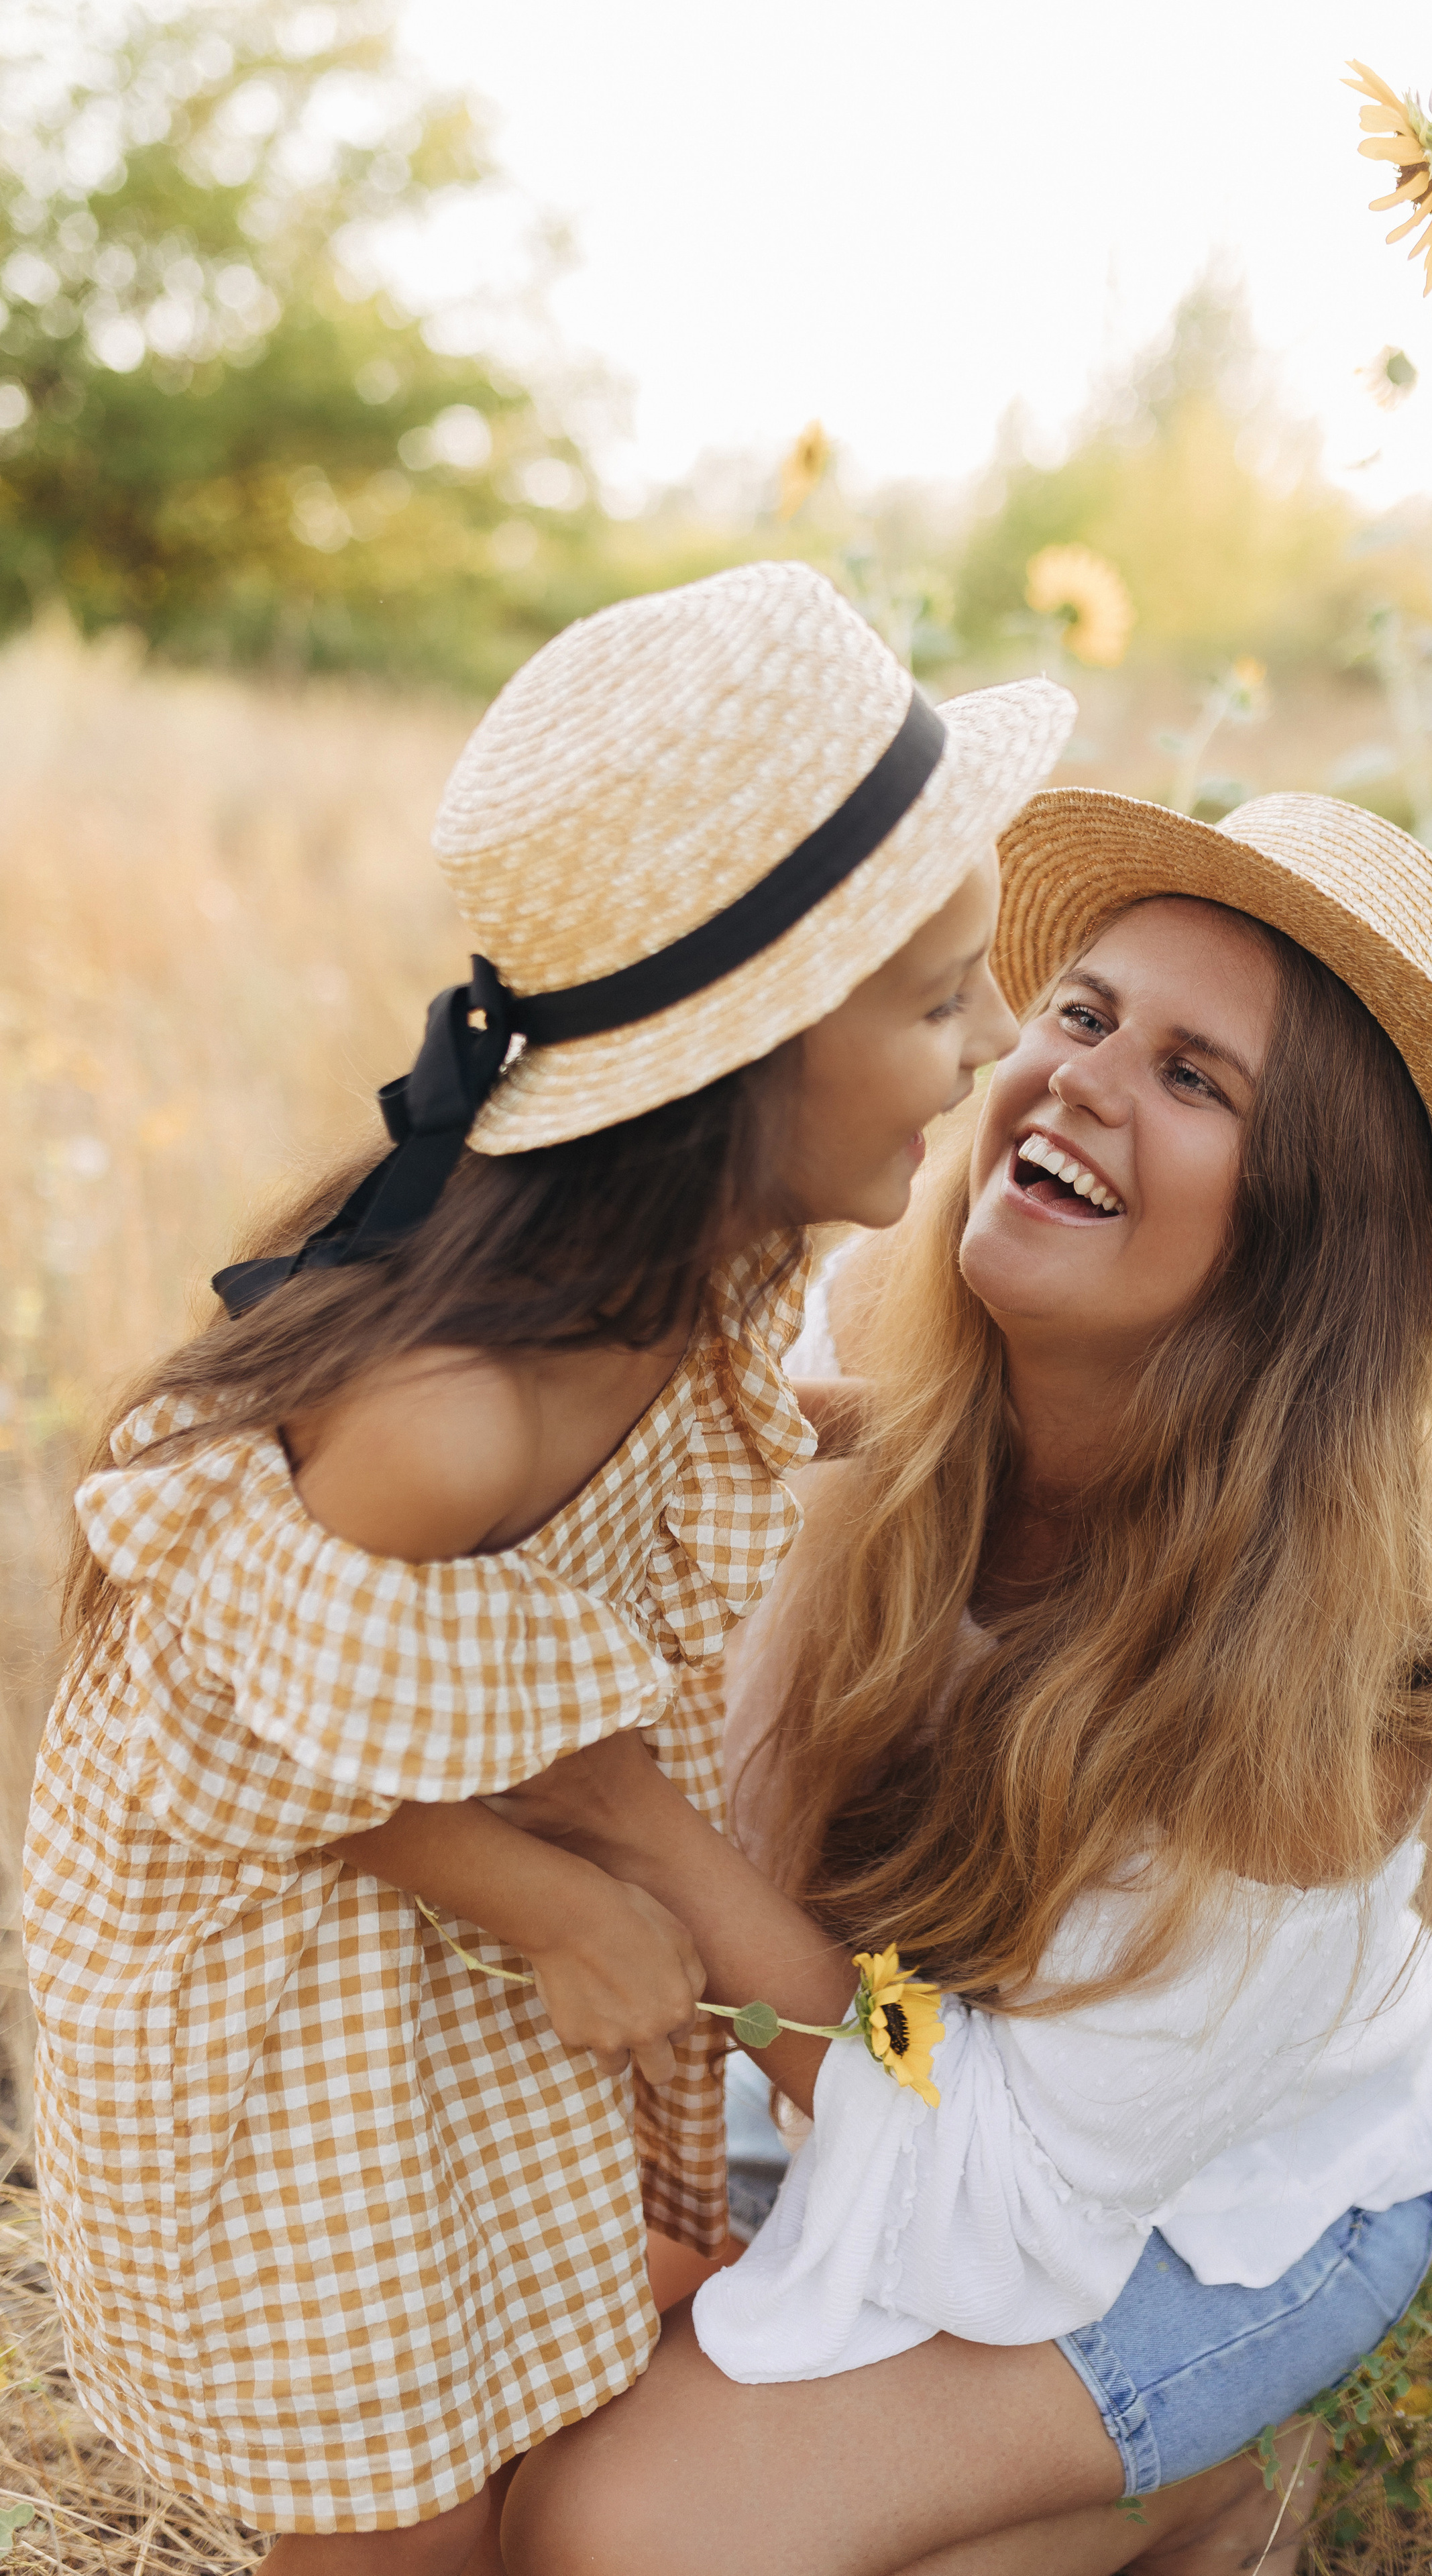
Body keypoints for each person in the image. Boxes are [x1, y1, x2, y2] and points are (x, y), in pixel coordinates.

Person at [21, 560, 1073, 2574]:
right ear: (747, 1062)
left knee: (523, 2395)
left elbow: (711, 1451)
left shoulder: (695, 1280)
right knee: (397, 2523)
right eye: (943, 997)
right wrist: (549, 1895)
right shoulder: (452, 1423)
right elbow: (221, 1746)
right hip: (290, 1990)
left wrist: (918, 1436)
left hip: (449, 1950)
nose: (997, 1039)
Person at [494, 786, 1432, 2576]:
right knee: (472, 2405)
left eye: (1194, 1078)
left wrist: (635, 1830)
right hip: (906, 2054)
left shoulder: (1325, 1651)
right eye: (1084, 1014)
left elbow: (1008, 2185)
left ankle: (1210, 2484)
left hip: (1181, 2201)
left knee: (624, 2537)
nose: (1078, 1080)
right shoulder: (873, 1329)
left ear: (1305, 1232)